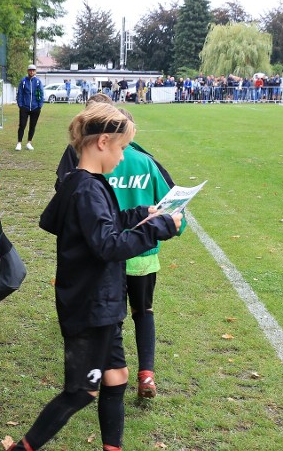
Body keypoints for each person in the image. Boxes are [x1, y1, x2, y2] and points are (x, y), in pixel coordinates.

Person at [8, 104, 182, 451]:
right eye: (120, 147)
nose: (122, 156)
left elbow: (91, 225)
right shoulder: (87, 189)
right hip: (90, 308)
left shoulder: (80, 182)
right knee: (81, 393)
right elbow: (106, 244)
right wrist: (159, 227)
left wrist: (138, 213)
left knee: (117, 377)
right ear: (103, 142)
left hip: (101, 303)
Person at [103, 108, 186, 399]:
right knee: (143, 312)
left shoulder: (97, 163)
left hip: (106, 257)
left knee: (111, 318)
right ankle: (146, 374)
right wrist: (176, 225)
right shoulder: (147, 163)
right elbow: (175, 212)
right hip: (142, 257)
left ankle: (111, 375)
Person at [16, 64, 43, 151]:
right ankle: (19, 143)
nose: (31, 72)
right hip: (25, 107)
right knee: (22, 125)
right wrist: (20, 104)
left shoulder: (38, 81)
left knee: (32, 126)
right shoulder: (23, 81)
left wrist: (40, 105)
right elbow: (20, 93)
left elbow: (41, 93)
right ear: (28, 71)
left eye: (33, 70)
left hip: (35, 107)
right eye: (30, 70)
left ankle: (29, 142)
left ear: (35, 72)